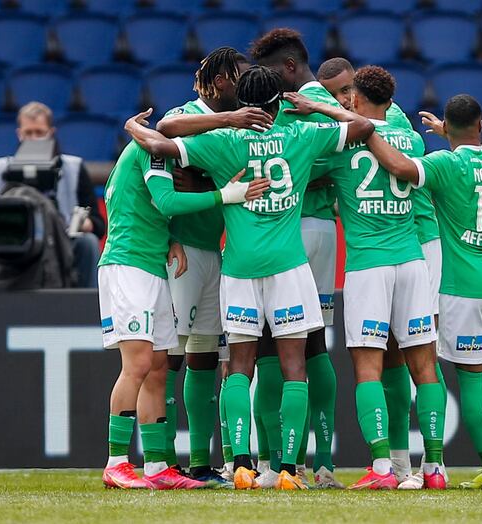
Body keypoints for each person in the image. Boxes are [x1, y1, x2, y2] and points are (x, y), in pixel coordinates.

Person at [125, 65, 374, 490]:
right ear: (278, 103)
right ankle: (290, 471)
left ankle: (241, 464)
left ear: (242, 104)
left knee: (239, 366)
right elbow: (364, 126)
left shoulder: (224, 141)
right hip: (288, 267)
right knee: (295, 365)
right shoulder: (300, 136)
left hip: (239, 268)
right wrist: (313, 105)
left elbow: (163, 133)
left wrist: (135, 126)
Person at [361, 94, 482, 489]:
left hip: (463, 287)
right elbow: (472, 154)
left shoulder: (443, 164)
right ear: (481, 124)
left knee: (472, 382)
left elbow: (401, 167)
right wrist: (454, 135)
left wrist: (369, 132)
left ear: (446, 125)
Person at [285, 65, 447, 490]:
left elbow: (307, 168)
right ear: (390, 102)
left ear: (354, 99)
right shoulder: (412, 139)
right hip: (412, 262)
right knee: (425, 367)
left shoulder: (341, 145)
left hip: (368, 267)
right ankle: (433, 469)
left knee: (369, 369)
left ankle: (381, 471)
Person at [99, 116, 270, 490]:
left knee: (160, 365)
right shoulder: (152, 150)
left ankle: (157, 465)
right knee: (140, 363)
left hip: (151, 263)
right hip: (130, 264)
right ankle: (115, 462)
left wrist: (170, 237)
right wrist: (226, 195)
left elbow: (140, 204)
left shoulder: (146, 152)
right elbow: (165, 199)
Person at [155, 47, 268, 484]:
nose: (245, 88)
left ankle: (200, 462)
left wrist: (205, 178)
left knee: (204, 356)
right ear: (221, 81)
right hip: (182, 248)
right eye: (240, 78)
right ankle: (161, 460)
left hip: (214, 250)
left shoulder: (239, 132)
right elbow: (163, 132)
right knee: (171, 356)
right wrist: (168, 238)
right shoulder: (191, 113)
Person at [249, 28, 343, 489]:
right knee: (314, 343)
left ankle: (273, 462)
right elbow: (344, 150)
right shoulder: (328, 105)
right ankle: (321, 460)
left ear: (288, 67)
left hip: (286, 231)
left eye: (268, 74)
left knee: (271, 346)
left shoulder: (290, 102)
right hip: (322, 230)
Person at [0, 102, 105, 288]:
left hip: (60, 245)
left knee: (87, 243)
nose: (33, 139)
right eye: (28, 133)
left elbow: (98, 225)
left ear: (51, 132)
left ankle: (85, 315)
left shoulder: (74, 168)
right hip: (7, 246)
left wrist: (85, 223)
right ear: (19, 134)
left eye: (39, 133)